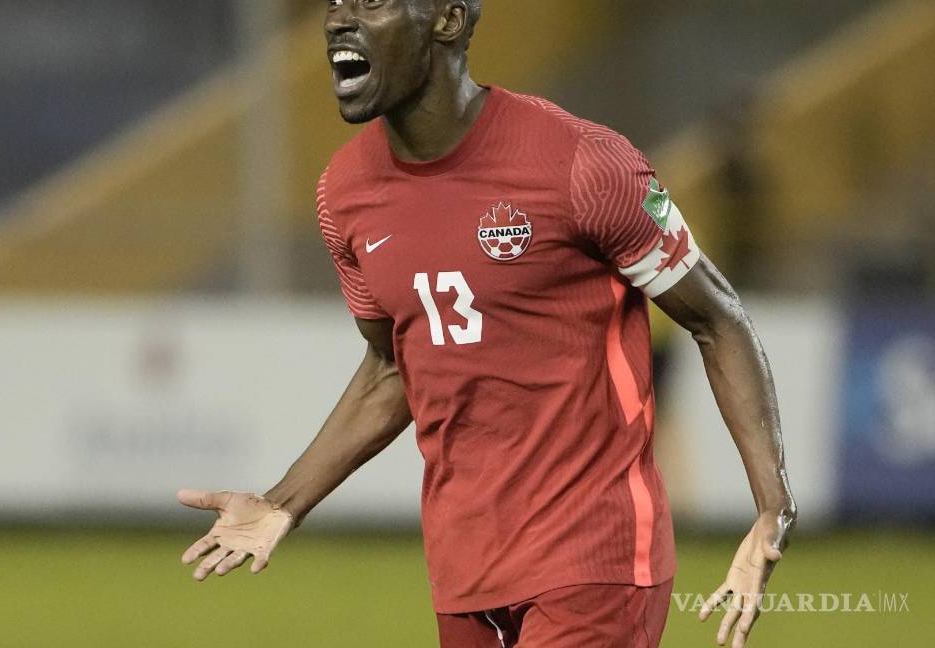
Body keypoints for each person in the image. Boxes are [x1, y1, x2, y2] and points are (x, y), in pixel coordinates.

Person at [178, 2, 796, 647]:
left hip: (594, 559)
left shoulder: (583, 164)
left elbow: (718, 319)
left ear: (447, 20)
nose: (339, 19)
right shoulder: (344, 193)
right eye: (335, 2)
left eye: (373, 1)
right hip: (464, 568)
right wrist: (284, 502)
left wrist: (772, 505)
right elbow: (395, 365)